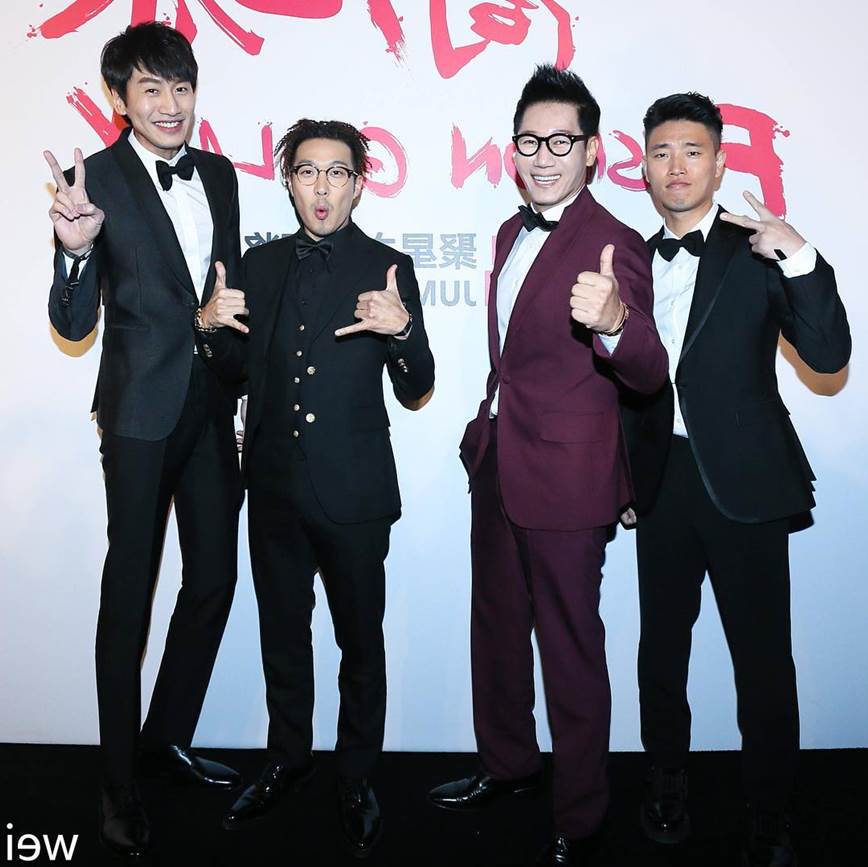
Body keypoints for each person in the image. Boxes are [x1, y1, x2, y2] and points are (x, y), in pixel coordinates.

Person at [427, 65, 668, 866]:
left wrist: (615, 321)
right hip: (499, 461)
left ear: (593, 150)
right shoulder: (507, 231)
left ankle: (581, 813)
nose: (543, 156)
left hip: (568, 479)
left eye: (561, 142)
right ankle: (508, 764)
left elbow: (648, 368)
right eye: (529, 141)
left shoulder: (615, 240)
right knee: (496, 630)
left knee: (569, 651)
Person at [621, 92, 851, 867]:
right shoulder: (628, 258)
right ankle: (666, 782)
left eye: (692, 151)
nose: (676, 166)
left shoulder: (758, 249)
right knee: (660, 652)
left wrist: (801, 256)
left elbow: (827, 353)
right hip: (661, 481)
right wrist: (622, 477)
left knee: (762, 659)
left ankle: (771, 808)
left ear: (719, 162)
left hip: (745, 484)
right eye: (661, 152)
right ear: (644, 166)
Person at [195, 118, 434, 857]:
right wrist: (209, 327)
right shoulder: (257, 265)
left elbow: (417, 385)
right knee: (282, 637)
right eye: (307, 171)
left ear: (359, 184)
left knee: (360, 643)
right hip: (272, 491)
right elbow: (232, 372)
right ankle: (287, 757)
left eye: (337, 172)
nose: (322, 186)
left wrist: (401, 332)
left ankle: (356, 776)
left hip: (355, 495)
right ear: (289, 181)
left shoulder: (388, 267)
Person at [45, 21, 243, 858]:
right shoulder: (97, 182)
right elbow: (71, 322)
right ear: (119, 98)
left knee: (214, 578)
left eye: (181, 87)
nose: (170, 105)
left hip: (211, 412)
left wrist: (238, 385)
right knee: (128, 594)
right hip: (137, 416)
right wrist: (74, 251)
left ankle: (164, 739)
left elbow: (226, 295)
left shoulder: (221, 175)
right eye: (151, 89)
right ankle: (118, 780)